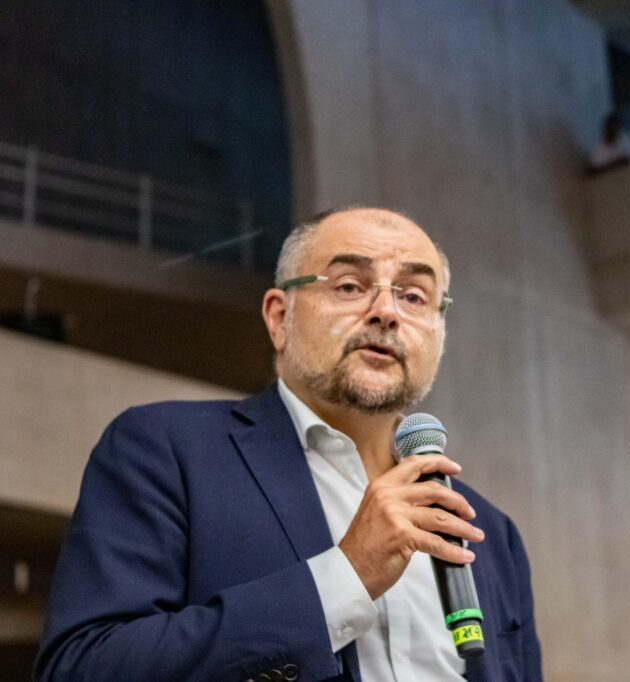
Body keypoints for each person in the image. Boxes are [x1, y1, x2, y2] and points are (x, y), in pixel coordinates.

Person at [35, 207, 542, 681]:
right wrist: (345, 578)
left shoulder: (490, 533)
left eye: (413, 296)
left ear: (438, 329)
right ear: (280, 317)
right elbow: (85, 665)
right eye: (349, 285)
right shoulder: (166, 451)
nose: (387, 312)